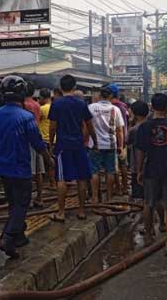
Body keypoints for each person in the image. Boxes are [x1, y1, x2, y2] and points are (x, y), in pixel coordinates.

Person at [0, 76, 52, 258]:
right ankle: (8, 238)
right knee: (22, 204)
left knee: (13, 203)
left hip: (3, 167)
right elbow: (38, 144)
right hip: (20, 167)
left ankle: (19, 236)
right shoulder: (26, 117)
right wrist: (49, 161)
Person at [136, 93, 167, 256]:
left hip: (151, 169)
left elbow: (141, 151)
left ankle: (149, 236)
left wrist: (139, 170)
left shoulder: (144, 127)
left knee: (148, 203)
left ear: (152, 106)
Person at [49, 75, 98, 222]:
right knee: (82, 178)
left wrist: (51, 143)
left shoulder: (56, 104)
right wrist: (95, 141)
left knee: (62, 179)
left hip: (63, 145)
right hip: (79, 144)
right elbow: (89, 125)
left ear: (60, 87)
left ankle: (61, 212)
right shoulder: (81, 103)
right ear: (75, 87)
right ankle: (82, 211)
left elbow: (52, 127)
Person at [87, 87, 125, 204]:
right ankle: (108, 197)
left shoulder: (91, 107)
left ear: (99, 95)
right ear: (110, 96)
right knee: (110, 171)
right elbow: (119, 130)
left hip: (95, 144)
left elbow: (86, 126)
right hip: (110, 144)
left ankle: (94, 197)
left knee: (94, 172)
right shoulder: (115, 109)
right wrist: (121, 146)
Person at [23, 82, 45, 206]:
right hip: (38, 137)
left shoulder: (24, 105)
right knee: (38, 171)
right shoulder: (37, 105)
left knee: (29, 172)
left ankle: (30, 200)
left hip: (28, 140)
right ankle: (40, 198)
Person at [108, 84, 130, 195]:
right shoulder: (123, 106)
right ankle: (125, 187)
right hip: (123, 138)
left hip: (112, 140)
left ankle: (117, 188)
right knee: (123, 164)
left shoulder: (110, 107)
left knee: (114, 166)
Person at [128, 101, 149, 200]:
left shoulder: (134, 129)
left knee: (139, 194)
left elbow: (127, 142)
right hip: (150, 165)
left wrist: (130, 122)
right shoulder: (151, 126)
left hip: (137, 165)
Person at [38, 88, 56, 189]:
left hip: (45, 138)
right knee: (53, 162)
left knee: (48, 162)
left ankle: (51, 183)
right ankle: (54, 182)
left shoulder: (42, 109)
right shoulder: (55, 107)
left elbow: (37, 120)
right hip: (55, 139)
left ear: (43, 98)